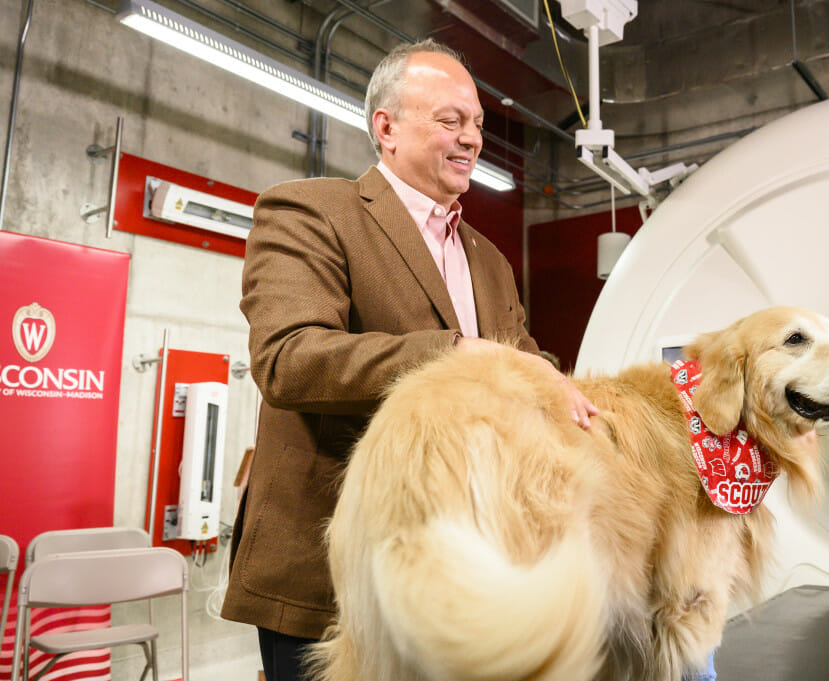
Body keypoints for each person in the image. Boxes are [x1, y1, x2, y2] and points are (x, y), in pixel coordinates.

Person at [220, 38, 597, 681]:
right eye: (450, 120)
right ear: (386, 128)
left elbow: (529, 365)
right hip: (331, 565)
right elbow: (288, 359)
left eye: (476, 124)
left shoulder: (490, 260)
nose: (472, 139)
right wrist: (454, 354)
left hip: (463, 564)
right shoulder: (311, 211)